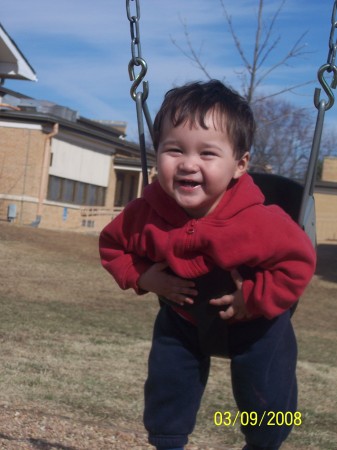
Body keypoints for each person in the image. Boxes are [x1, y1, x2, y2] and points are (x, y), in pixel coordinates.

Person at [99, 80, 316, 450]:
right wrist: (144, 277)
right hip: (182, 319)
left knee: (266, 399)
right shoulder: (146, 213)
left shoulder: (259, 220)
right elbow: (113, 246)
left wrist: (254, 298)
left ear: (240, 164)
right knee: (168, 383)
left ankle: (263, 443)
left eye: (207, 154)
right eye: (174, 149)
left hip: (257, 324)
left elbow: (297, 262)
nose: (188, 163)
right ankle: (168, 442)